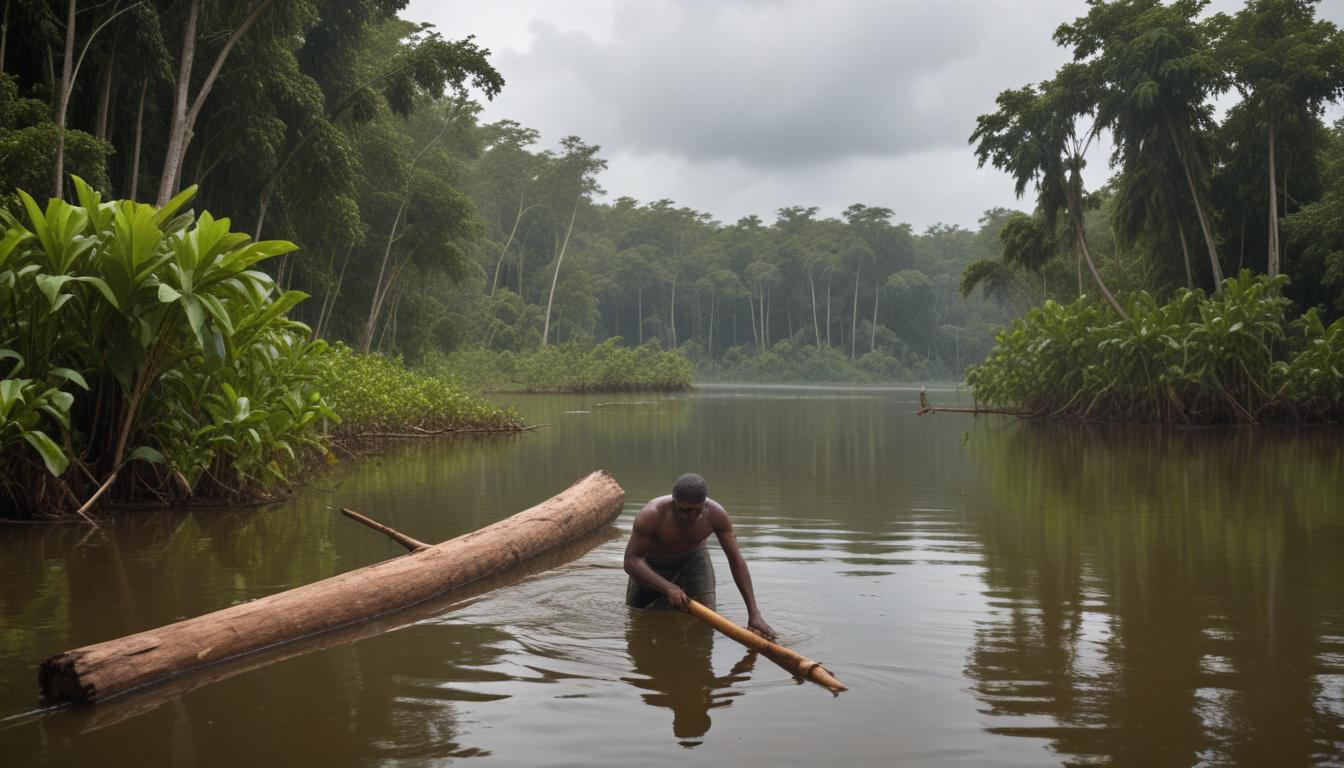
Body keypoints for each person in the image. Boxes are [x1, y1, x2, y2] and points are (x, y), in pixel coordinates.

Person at [623, 473, 776, 640]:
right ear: (674, 502)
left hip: (693, 561)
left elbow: (736, 561)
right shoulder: (651, 515)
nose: (692, 516)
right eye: (685, 510)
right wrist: (669, 588)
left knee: (704, 625)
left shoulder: (716, 515)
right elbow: (631, 561)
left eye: (698, 509)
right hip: (651, 565)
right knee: (636, 620)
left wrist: (754, 612)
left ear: (705, 503)